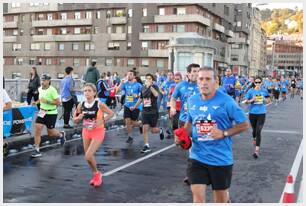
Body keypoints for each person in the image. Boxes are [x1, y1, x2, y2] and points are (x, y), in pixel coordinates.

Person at [176, 67, 249, 203]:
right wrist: (183, 135)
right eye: (201, 79)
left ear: (216, 81)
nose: (204, 82)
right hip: (197, 157)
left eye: (208, 79)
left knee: (220, 201)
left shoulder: (227, 101)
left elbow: (244, 124)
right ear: (197, 81)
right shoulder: (192, 100)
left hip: (220, 159)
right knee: (197, 199)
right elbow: (190, 122)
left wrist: (224, 133)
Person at [73, 83, 114, 187]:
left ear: (94, 93)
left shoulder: (99, 104)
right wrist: (79, 118)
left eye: (89, 91)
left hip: (98, 132)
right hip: (86, 131)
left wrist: (102, 121)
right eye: (85, 91)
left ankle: (97, 174)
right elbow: (75, 120)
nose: (86, 92)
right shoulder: (80, 105)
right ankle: (96, 174)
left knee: (88, 155)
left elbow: (111, 113)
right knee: (88, 158)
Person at [170, 63, 200, 185]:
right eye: (194, 71)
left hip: (199, 121)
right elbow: (173, 98)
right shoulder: (181, 85)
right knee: (187, 146)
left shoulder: (201, 85)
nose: (196, 74)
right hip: (184, 120)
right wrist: (172, 107)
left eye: (198, 71)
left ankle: (192, 174)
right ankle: (193, 172)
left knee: (195, 147)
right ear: (188, 73)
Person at [31, 74, 66, 158]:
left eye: (44, 80)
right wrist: (36, 102)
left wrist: (47, 101)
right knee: (37, 129)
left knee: (50, 133)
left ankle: (61, 135)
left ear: (48, 81)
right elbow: (41, 98)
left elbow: (58, 102)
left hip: (51, 113)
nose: (42, 82)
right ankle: (36, 149)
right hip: (42, 112)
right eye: (42, 80)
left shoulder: (52, 90)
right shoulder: (40, 88)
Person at [130, 73, 164, 153]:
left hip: (153, 111)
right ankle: (146, 145)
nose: (148, 80)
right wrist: (134, 106)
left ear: (152, 80)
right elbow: (141, 99)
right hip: (145, 111)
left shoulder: (155, 87)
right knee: (144, 128)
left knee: (153, 130)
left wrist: (150, 86)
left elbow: (156, 95)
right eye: (147, 78)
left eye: (150, 79)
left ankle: (160, 130)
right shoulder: (143, 88)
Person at [244, 77, 270, 159]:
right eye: (256, 82)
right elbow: (245, 101)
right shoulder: (250, 91)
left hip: (261, 113)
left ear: (261, 83)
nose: (258, 83)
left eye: (259, 82)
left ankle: (256, 151)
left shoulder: (264, 90)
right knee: (254, 131)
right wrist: (252, 100)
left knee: (258, 131)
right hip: (252, 113)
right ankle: (254, 138)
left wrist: (264, 99)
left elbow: (269, 100)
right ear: (254, 83)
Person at [117, 70, 143, 143]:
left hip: (136, 106)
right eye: (128, 74)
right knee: (127, 121)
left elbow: (144, 93)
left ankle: (140, 124)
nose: (128, 76)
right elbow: (117, 91)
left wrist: (137, 95)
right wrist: (121, 83)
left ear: (134, 76)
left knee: (133, 122)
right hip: (127, 105)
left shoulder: (138, 85)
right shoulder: (125, 84)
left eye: (130, 74)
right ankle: (130, 137)